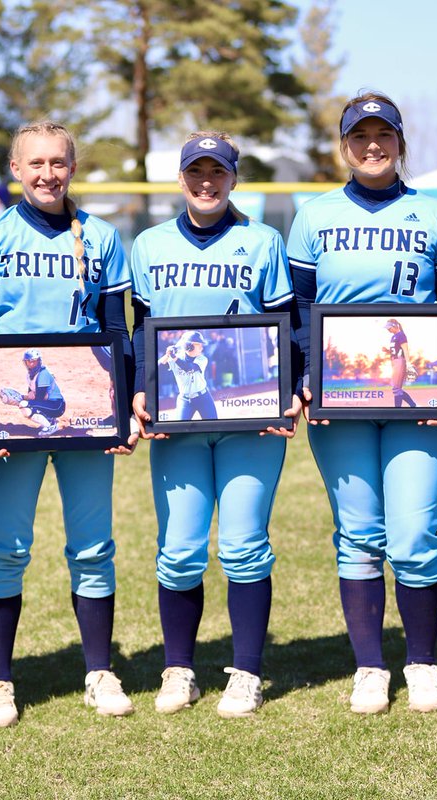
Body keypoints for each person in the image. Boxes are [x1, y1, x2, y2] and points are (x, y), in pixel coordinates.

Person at [288, 92, 437, 714]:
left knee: (416, 532)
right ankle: (370, 665)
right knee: (359, 535)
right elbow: (298, 314)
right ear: (344, 145)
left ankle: (421, 662)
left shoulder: (435, 213)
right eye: (360, 136)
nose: (372, 146)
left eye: (383, 135)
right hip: (340, 395)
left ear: (400, 141)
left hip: (417, 391)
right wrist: (305, 374)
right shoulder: (313, 216)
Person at [0, 121, 136, 725]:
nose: (47, 174)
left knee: (93, 547)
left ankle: (99, 671)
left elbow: (118, 332)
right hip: (14, 419)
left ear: (73, 167)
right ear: (15, 169)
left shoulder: (105, 237)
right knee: (6, 546)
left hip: (87, 411)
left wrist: (123, 407)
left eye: (58, 162)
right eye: (35, 163)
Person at [130, 132, 300, 718]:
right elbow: (141, 332)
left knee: (245, 547)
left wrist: (284, 397)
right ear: (181, 178)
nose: (207, 182)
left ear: (233, 177)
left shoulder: (262, 241)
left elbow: (285, 325)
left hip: (248, 420)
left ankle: (247, 672)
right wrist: (140, 390)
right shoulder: (149, 245)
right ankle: (179, 670)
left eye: (218, 171)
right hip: (177, 418)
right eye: (196, 171)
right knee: (178, 551)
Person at [158, 330, 219, 420]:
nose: (202, 348)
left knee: (214, 426)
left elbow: (188, 367)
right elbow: (157, 366)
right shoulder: (176, 357)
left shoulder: (202, 359)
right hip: (184, 400)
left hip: (203, 397)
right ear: (189, 346)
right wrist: (167, 355)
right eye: (199, 345)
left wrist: (173, 357)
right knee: (179, 428)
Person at [14, 348, 66, 436]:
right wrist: (24, 398)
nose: (31, 364)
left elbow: (38, 397)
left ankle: (51, 426)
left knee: (25, 406)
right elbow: (32, 394)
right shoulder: (29, 375)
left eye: (34, 361)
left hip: (57, 406)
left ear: (39, 361)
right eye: (28, 361)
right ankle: (49, 420)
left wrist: (20, 398)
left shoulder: (43, 374)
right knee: (27, 404)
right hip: (49, 404)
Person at [382, 318, 417, 408]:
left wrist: (408, 363)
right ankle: (412, 405)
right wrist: (387, 351)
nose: (388, 329)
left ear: (395, 326)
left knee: (396, 388)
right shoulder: (393, 336)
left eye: (389, 327)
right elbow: (396, 350)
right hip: (394, 362)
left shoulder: (401, 335)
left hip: (399, 361)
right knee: (398, 388)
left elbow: (405, 349)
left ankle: (397, 409)